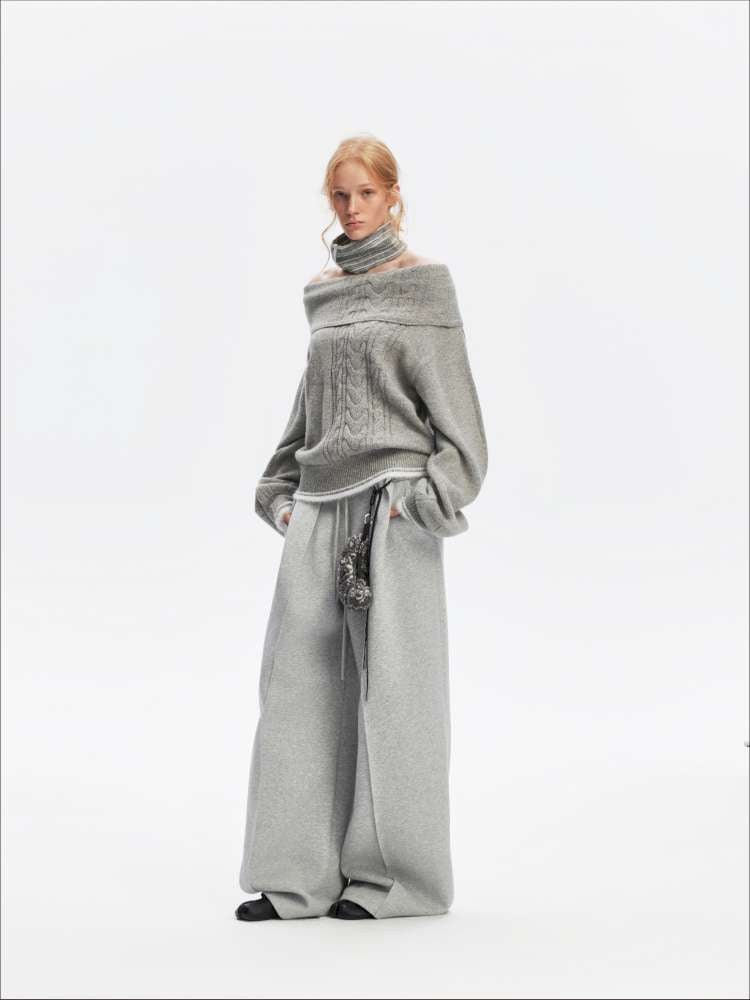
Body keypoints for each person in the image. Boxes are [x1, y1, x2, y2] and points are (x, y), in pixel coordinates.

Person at [236, 135, 488, 921]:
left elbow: (462, 428)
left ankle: (395, 881)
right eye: (340, 196)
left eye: (366, 194)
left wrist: (422, 501)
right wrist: (281, 493)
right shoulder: (322, 293)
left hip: (392, 507)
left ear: (393, 195)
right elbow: (311, 405)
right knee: (296, 690)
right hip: (319, 506)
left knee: (396, 696)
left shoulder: (423, 288)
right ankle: (295, 880)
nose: (351, 208)